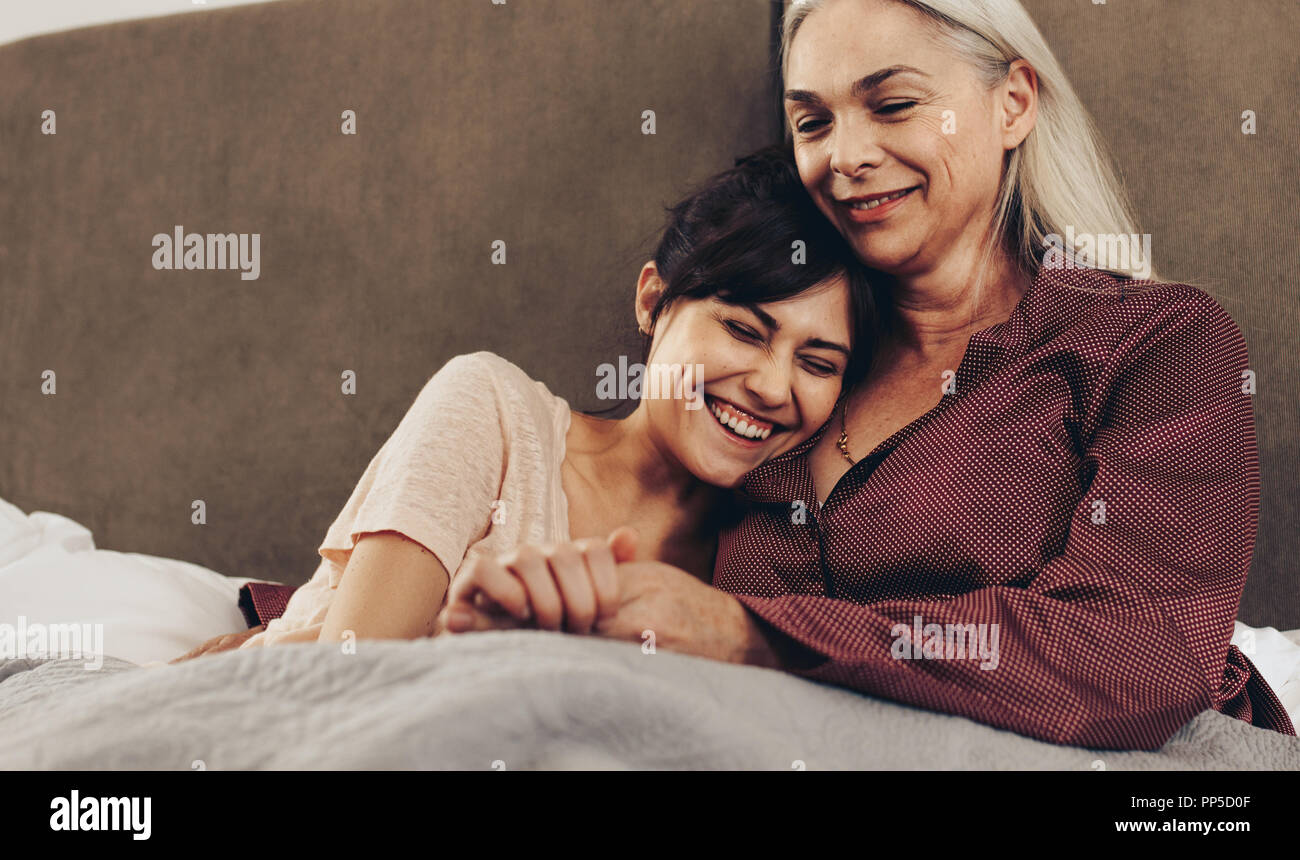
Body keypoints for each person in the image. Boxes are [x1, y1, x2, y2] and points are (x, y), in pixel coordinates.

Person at [441, 0, 1295, 751]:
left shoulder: (1156, 341)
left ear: (1012, 103)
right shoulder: (789, 374)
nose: (845, 157)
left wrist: (742, 631)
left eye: (893, 104)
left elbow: (1135, 657)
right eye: (812, 123)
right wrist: (545, 621)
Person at [171, 144, 877, 658]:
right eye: (743, 330)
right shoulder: (495, 411)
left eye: (818, 362)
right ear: (654, 300)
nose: (772, 385)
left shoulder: (772, 568)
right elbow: (344, 674)